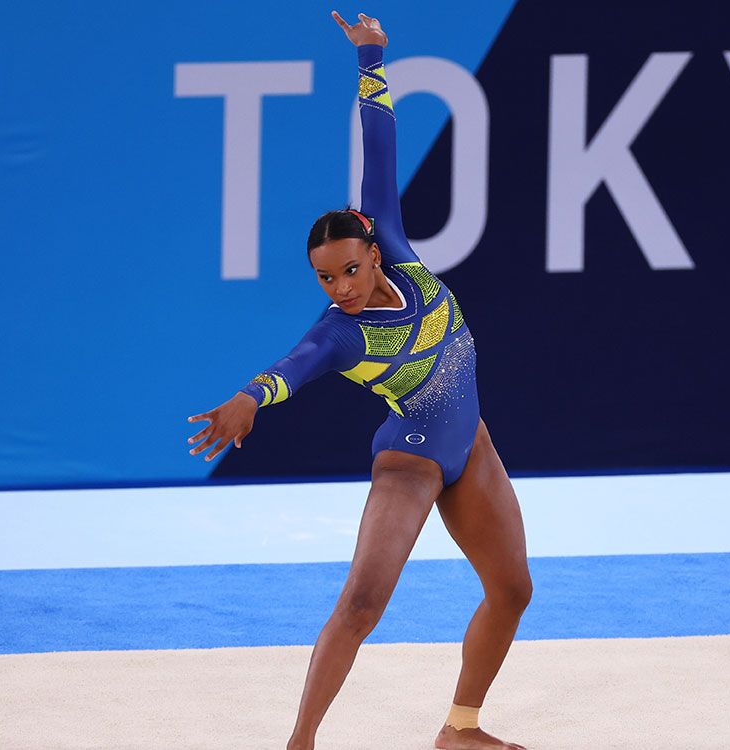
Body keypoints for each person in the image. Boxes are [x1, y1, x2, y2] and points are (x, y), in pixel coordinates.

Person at [185, 11, 532, 750]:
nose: (339, 286)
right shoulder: (339, 333)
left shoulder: (397, 244)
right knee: (364, 603)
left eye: (348, 268)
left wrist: (372, 57)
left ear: (372, 250)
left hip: (472, 445)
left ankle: (460, 728)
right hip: (409, 457)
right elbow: (293, 367)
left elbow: (379, 141)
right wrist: (250, 397)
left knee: (512, 590)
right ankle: (301, 741)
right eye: (324, 277)